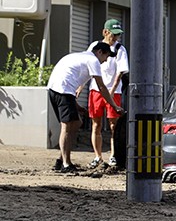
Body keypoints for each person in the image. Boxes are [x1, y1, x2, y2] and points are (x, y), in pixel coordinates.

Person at [47, 42, 125, 172]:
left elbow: (69, 83)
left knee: (77, 123)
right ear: (99, 52)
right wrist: (114, 106)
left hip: (55, 90)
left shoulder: (78, 57)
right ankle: (66, 164)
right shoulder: (93, 60)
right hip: (62, 91)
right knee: (67, 126)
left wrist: (77, 107)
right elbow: (101, 86)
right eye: (105, 57)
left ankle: (61, 159)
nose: (105, 61)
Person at [78, 19, 129, 169]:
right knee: (96, 124)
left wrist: (112, 90)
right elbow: (86, 67)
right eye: (113, 35)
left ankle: (114, 155)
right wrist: (81, 86)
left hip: (114, 91)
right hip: (96, 90)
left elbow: (121, 71)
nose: (115, 38)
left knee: (114, 125)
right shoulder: (95, 46)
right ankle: (97, 156)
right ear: (105, 32)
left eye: (118, 35)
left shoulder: (120, 49)